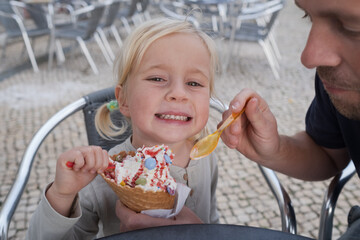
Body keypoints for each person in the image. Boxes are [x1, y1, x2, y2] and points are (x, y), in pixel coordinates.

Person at [26, 17, 220, 239]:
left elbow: (213, 221)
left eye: (194, 83)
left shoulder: (206, 157)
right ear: (124, 100)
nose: (179, 93)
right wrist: (61, 196)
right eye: (157, 78)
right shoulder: (100, 175)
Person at [220, 0, 360, 239]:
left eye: (351, 27)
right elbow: (328, 154)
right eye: (308, 17)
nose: (309, 57)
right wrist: (273, 149)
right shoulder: (341, 83)